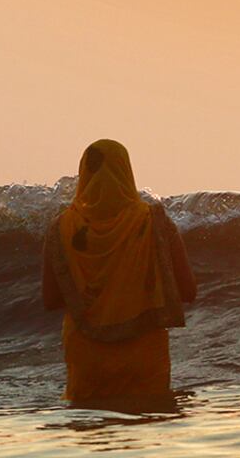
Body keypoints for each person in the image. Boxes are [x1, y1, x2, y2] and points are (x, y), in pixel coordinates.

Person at [42, 139, 196, 402]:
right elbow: (188, 291)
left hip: (87, 358)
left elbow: (51, 299)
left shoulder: (61, 229)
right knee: (147, 428)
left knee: (93, 435)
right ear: (127, 171)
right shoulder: (154, 221)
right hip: (144, 356)